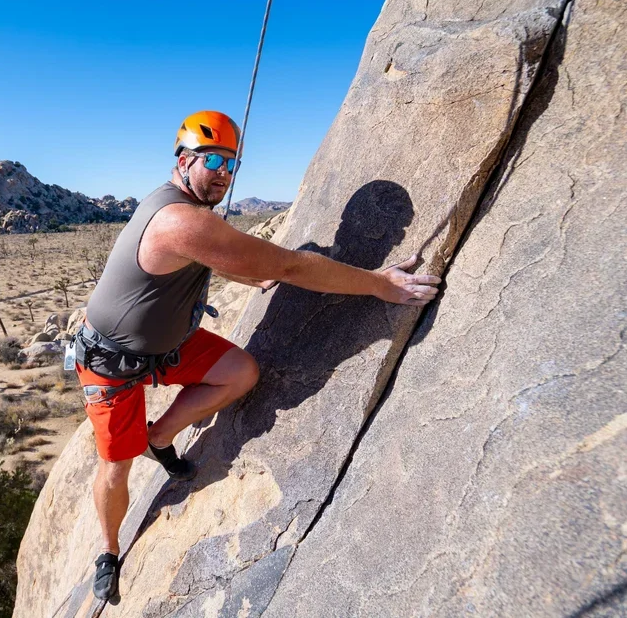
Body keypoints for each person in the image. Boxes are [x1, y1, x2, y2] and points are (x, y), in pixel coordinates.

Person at [74, 110, 441, 601]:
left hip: (167, 345)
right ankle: (108, 549)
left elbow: (209, 260)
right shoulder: (179, 218)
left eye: (233, 163)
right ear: (183, 160)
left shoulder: (184, 209)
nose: (225, 173)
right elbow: (287, 264)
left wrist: (247, 275)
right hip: (113, 363)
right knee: (115, 467)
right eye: (214, 160)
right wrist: (380, 285)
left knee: (240, 373)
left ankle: (159, 436)